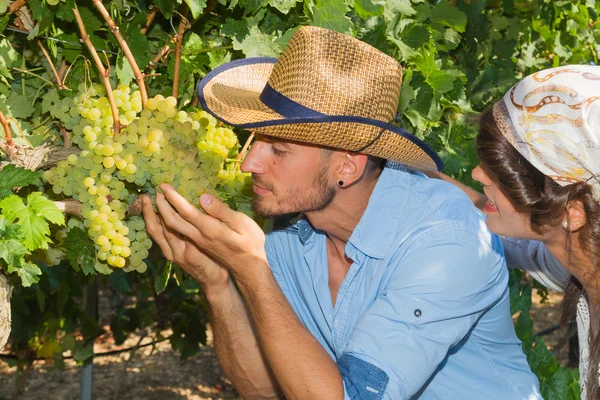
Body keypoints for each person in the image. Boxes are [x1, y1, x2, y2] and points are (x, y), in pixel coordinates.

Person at [142, 26, 540, 399]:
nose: (249, 165)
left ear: (347, 167)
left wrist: (253, 271)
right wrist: (218, 284)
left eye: (278, 150)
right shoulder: (289, 243)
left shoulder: (447, 240)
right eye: (256, 142)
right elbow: (263, 388)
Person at [425, 65, 600, 399]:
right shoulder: (579, 256)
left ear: (571, 212)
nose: (477, 173)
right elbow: (503, 231)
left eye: (501, 174)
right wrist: (415, 171)